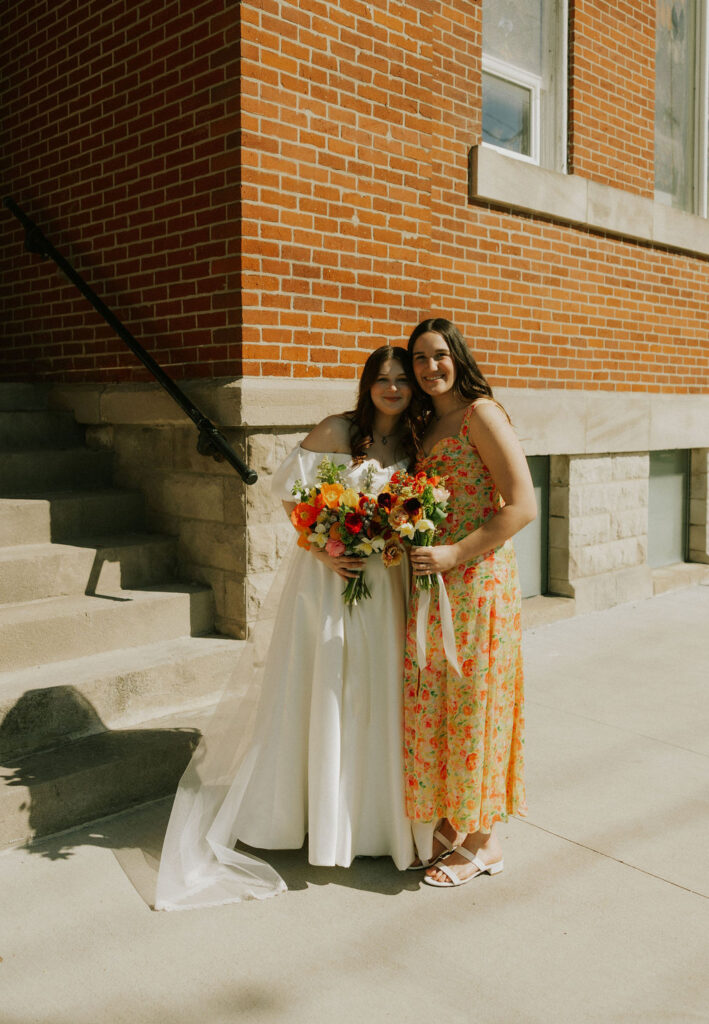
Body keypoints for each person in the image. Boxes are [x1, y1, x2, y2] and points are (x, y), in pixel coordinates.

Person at [155, 346, 419, 910]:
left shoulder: (413, 443)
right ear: (367, 384)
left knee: (373, 690)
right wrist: (324, 548)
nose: (393, 388)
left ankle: (369, 824)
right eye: (383, 379)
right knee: (322, 685)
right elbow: (288, 493)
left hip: (385, 584)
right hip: (329, 580)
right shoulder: (337, 429)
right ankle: (300, 819)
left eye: (402, 380)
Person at [402, 318, 536, 888]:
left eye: (439, 356)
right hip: (432, 587)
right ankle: (454, 816)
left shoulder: (483, 414)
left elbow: (523, 505)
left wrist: (456, 553)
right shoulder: (425, 423)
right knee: (438, 705)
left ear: (457, 356)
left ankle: (485, 842)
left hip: (477, 582)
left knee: (476, 704)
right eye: (419, 360)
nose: (430, 368)